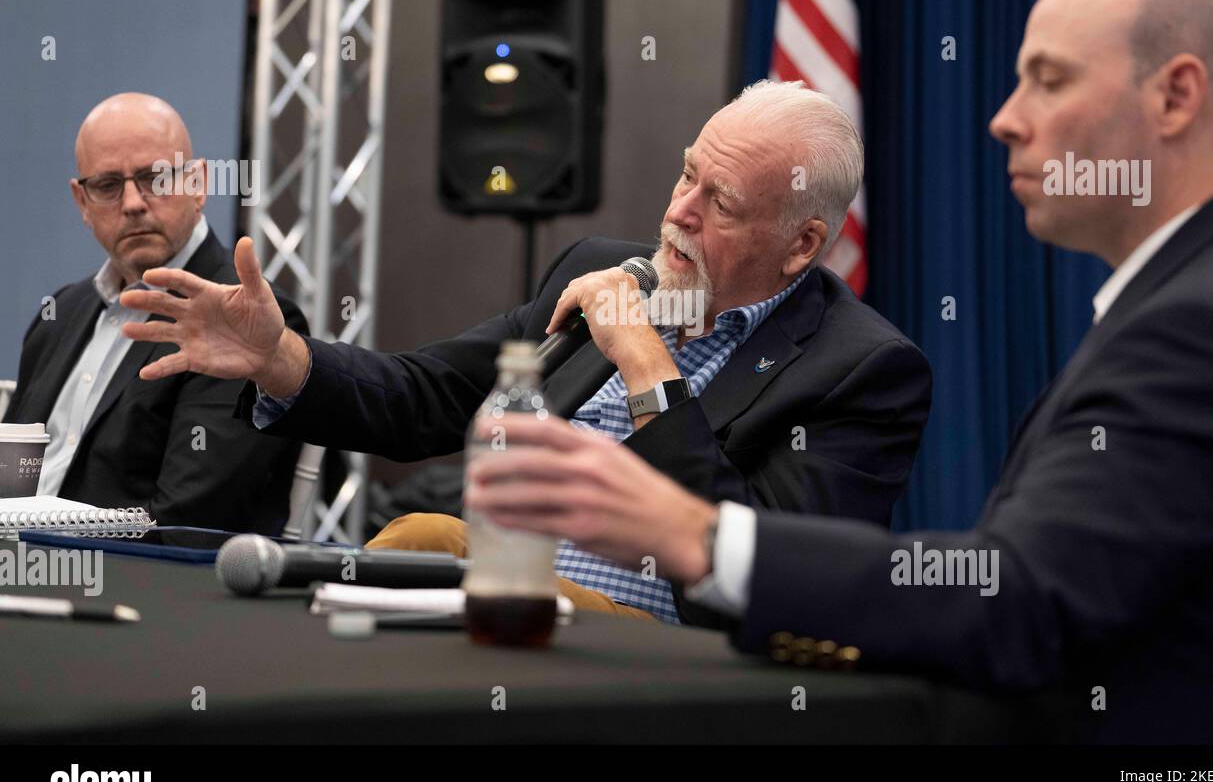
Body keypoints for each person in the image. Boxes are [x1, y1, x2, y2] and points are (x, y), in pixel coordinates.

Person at [463, 0, 1213, 743]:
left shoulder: (1207, 323)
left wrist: (703, 538)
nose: (1006, 118)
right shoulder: (1210, 296)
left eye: (1049, 79)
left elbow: (1020, 603)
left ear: (1177, 96)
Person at [118, 80, 932, 625]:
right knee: (416, 537)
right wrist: (281, 359)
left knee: (419, 545)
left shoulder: (860, 371)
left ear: (802, 247)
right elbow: (427, 395)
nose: (678, 212)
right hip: (499, 611)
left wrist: (648, 364)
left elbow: (772, 579)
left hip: (648, 658)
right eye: (686, 175)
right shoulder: (597, 270)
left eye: (719, 202)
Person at [3, 93, 308, 534]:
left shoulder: (245, 322)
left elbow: (188, 521)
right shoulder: (59, 316)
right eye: (108, 186)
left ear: (199, 183)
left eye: (156, 179)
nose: (132, 203)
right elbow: (7, 481)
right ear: (83, 203)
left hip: (128, 587)